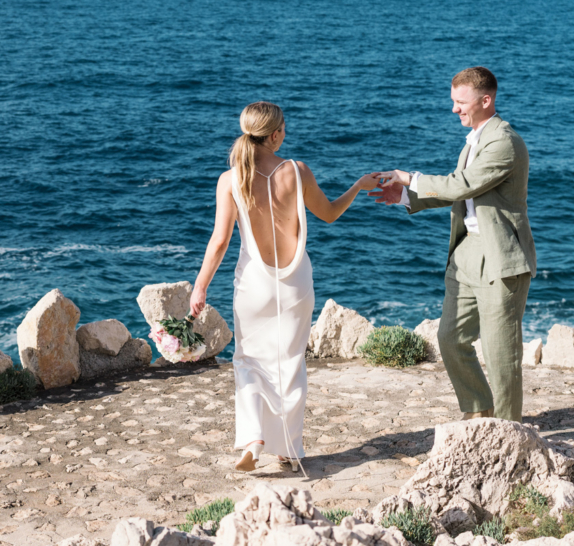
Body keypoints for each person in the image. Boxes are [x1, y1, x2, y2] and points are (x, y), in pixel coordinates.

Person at [190, 101, 382, 472]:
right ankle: (289, 451)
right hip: (295, 283)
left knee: (247, 360)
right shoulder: (297, 171)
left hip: (253, 286)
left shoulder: (231, 180)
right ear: (276, 134)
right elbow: (328, 213)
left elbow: (219, 242)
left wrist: (200, 288)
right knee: (290, 363)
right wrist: (358, 185)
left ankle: (253, 439)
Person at [371, 66, 534, 421]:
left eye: (461, 102)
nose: (454, 109)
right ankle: (479, 409)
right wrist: (404, 197)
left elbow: (461, 184)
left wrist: (410, 177)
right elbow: (461, 193)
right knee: (450, 338)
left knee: (500, 351)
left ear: (486, 100)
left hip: (499, 255)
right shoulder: (476, 139)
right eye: (453, 101)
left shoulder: (504, 141)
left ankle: (506, 428)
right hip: (467, 252)